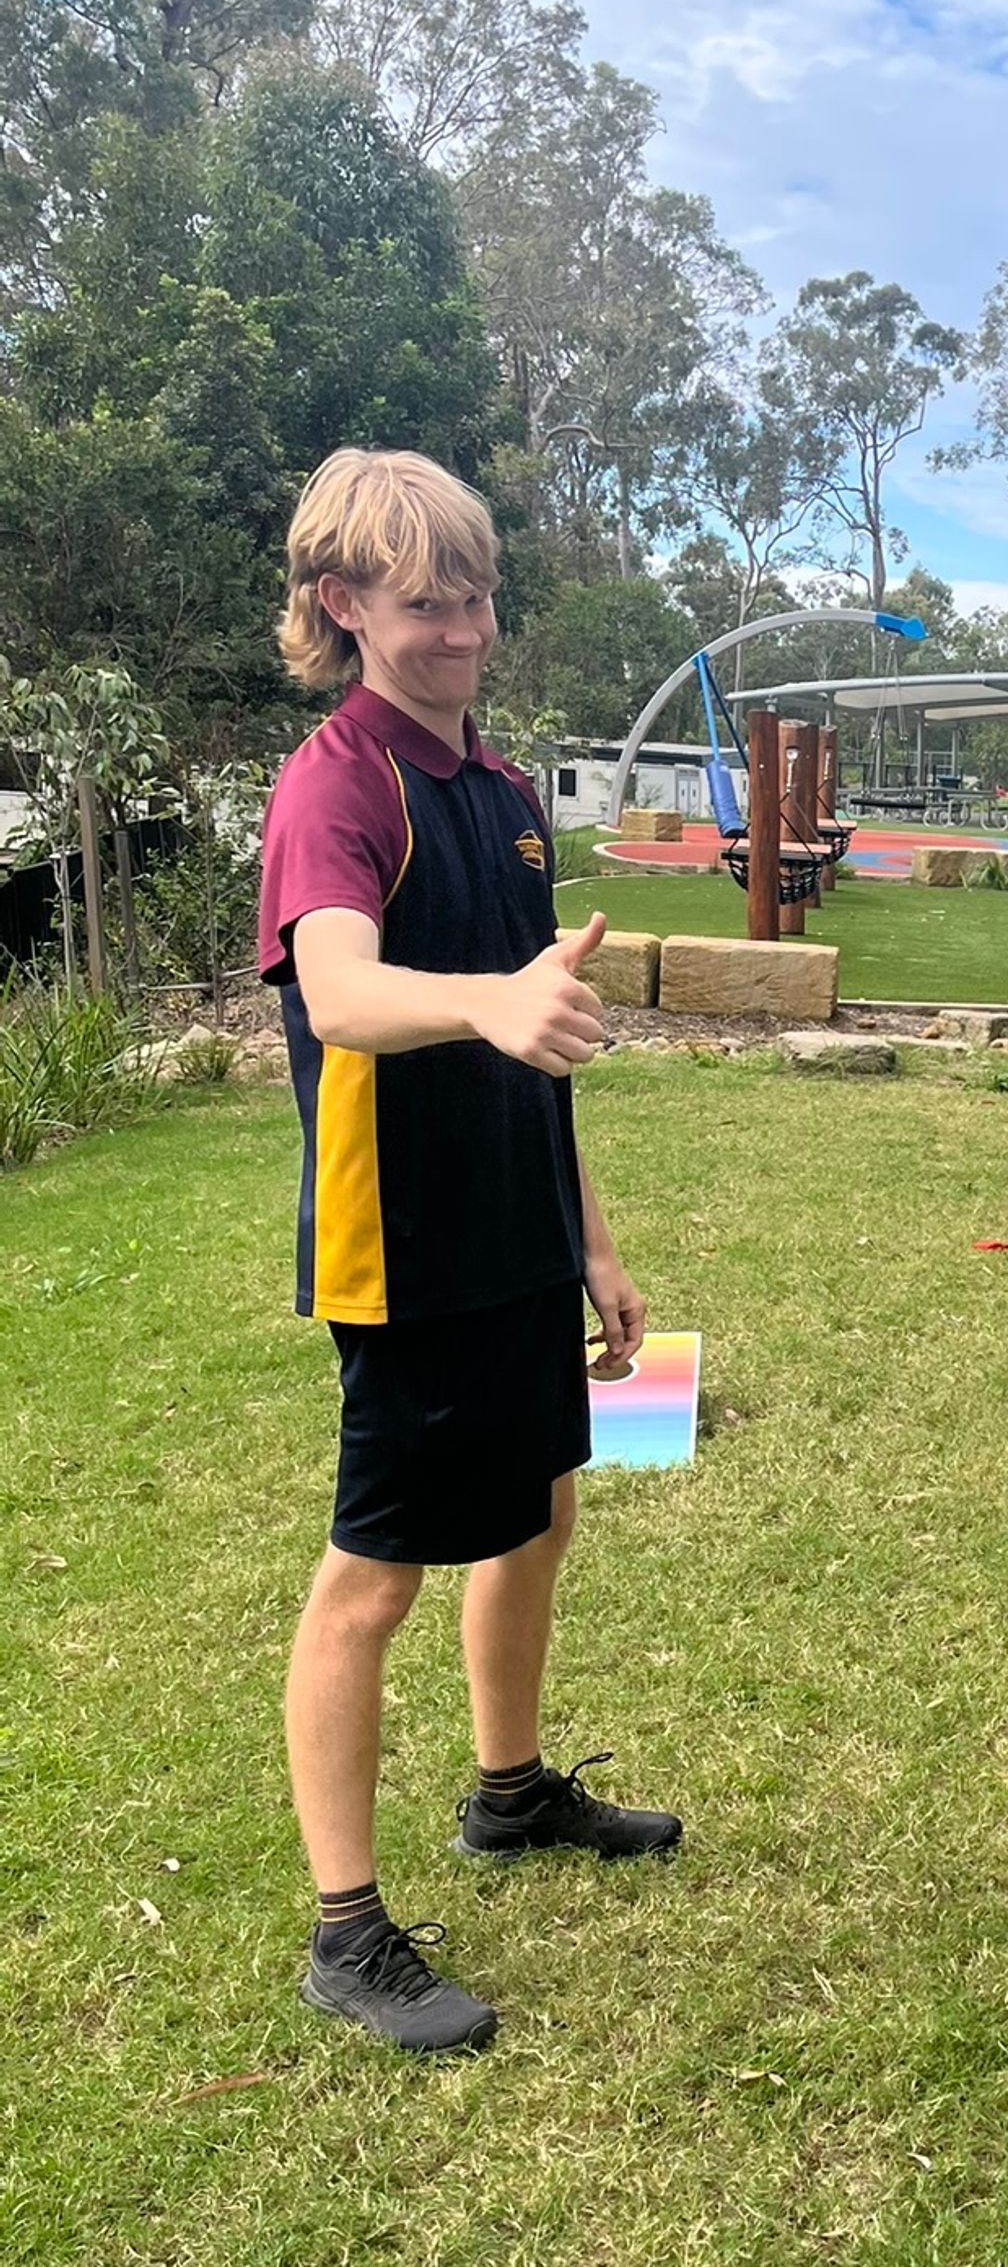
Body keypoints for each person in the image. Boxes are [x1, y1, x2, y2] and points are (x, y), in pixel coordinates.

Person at [258, 447, 681, 2060]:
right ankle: (345, 1931)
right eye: (429, 603)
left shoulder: (503, 801)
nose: (464, 630)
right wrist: (492, 1000)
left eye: (479, 597)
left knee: (541, 1510)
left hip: (517, 1233)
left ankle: (508, 1792)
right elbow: (340, 990)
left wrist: (593, 1243)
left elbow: (534, 1040)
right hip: (402, 1247)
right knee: (375, 1576)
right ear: (343, 604)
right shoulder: (337, 787)